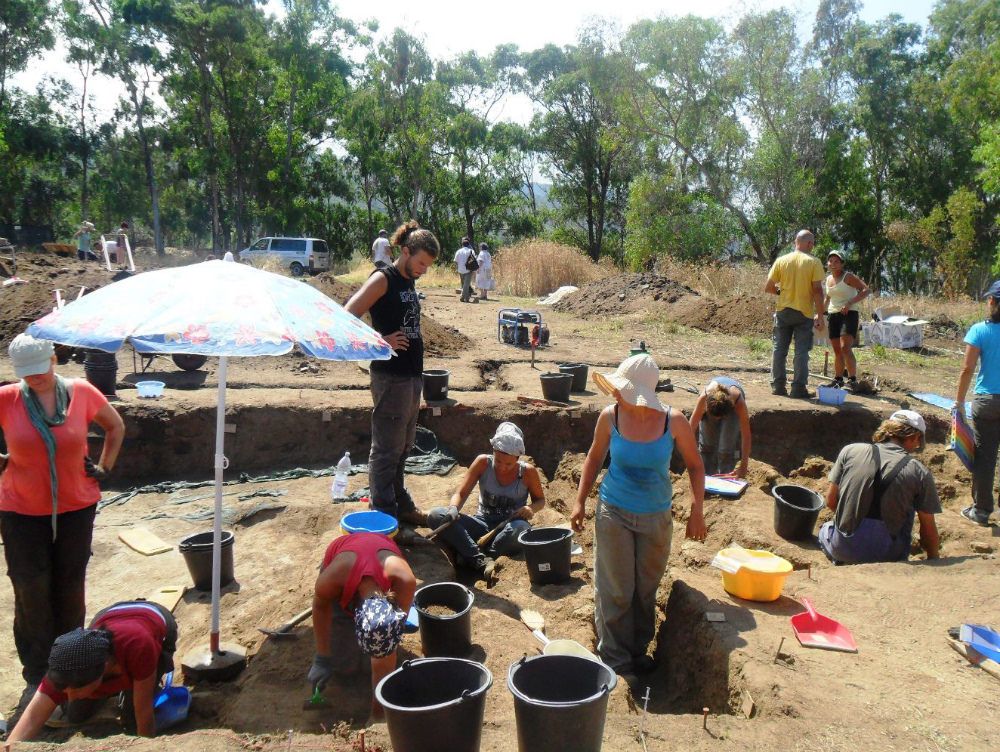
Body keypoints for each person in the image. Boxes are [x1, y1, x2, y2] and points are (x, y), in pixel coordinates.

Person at [0, 333, 125, 710]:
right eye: (27, 373)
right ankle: (38, 671)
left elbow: (115, 427)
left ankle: (72, 660)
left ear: (54, 360)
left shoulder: (83, 392)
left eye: (40, 370)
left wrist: (104, 467)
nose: (34, 378)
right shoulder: (7, 398)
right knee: (31, 586)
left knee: (70, 583)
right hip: (20, 509)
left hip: (76, 505)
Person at [570, 353, 706, 677]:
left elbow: (696, 466)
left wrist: (696, 511)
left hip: (655, 516)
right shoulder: (610, 416)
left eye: (624, 389)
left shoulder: (673, 421)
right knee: (616, 588)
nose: (616, 393)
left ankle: (637, 651)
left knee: (646, 589)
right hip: (613, 510)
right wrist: (580, 501)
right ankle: (616, 661)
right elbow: (593, 458)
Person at [345, 221, 439, 528]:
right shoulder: (382, 279)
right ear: (406, 251)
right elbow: (347, 315)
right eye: (422, 263)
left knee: (403, 447)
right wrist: (380, 341)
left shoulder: (407, 279)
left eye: (428, 266)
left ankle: (400, 504)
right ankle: (385, 518)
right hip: (390, 378)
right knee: (386, 450)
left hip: (411, 377)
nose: (424, 270)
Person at [5, 600, 179, 743]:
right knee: (76, 714)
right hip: (109, 616)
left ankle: (130, 687)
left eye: (77, 689)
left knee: (132, 718)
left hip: (152, 617)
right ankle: (117, 691)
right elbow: (32, 718)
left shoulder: (139, 647)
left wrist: (145, 745)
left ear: (102, 673)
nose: (71, 696)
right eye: (67, 690)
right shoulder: (68, 664)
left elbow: (144, 713)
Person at [308, 532, 416, 720]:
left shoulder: (404, 582)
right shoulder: (333, 578)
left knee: (378, 663)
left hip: (381, 549)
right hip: (347, 556)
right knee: (342, 667)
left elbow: (389, 644)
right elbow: (320, 606)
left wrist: (377, 715)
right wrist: (322, 657)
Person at [426, 422, 546, 583]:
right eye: (498, 461)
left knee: (522, 528)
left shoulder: (528, 472)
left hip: (507, 529)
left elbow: (540, 500)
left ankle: (471, 553)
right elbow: (461, 493)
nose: (502, 467)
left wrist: (530, 508)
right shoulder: (483, 463)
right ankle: (480, 560)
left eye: (509, 464)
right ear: (493, 452)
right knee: (436, 515)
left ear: (518, 458)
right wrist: (453, 509)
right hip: (481, 524)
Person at [818, 410, 941, 564]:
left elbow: (830, 501)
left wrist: (854, 521)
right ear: (913, 437)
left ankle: (849, 556)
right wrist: (934, 558)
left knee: (826, 528)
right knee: (909, 507)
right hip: (887, 557)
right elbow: (928, 528)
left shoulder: (850, 451)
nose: (917, 446)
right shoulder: (919, 471)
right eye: (918, 441)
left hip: (842, 549)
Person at [956, 280, 1000, 527]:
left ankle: (981, 510)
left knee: (985, 458)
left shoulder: (979, 330)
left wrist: (959, 401)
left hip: (987, 402)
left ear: (992, 302)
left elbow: (967, 369)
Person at [764, 229, 826, 398]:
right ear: (809, 244)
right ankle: (798, 389)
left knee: (779, 350)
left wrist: (781, 293)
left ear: (795, 242)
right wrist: (820, 316)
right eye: (812, 244)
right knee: (801, 352)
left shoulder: (782, 260)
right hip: (804, 313)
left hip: (783, 310)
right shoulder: (814, 262)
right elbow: (818, 291)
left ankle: (778, 386)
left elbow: (768, 287)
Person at [823, 250, 869, 390]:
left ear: (842, 264)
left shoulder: (848, 277)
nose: (833, 264)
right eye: (831, 261)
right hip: (833, 315)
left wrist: (849, 303)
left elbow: (866, 290)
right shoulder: (828, 279)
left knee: (845, 347)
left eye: (837, 261)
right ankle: (838, 379)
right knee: (837, 350)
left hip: (849, 314)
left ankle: (852, 380)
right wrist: (819, 314)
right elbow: (828, 298)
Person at [689, 376, 751, 478]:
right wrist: (690, 456)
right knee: (706, 446)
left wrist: (744, 466)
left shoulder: (738, 402)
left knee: (725, 449)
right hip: (714, 403)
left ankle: (725, 478)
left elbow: (746, 435)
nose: (717, 420)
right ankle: (705, 478)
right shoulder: (704, 399)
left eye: (720, 418)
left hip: (731, 404)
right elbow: (690, 429)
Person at [454, 237, 475, 303]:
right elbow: (474, 260)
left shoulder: (458, 251)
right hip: (468, 270)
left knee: (463, 285)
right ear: (468, 244)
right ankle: (463, 297)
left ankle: (467, 298)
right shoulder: (471, 251)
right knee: (466, 284)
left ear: (462, 245)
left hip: (460, 270)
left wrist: (458, 268)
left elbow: (456, 261)